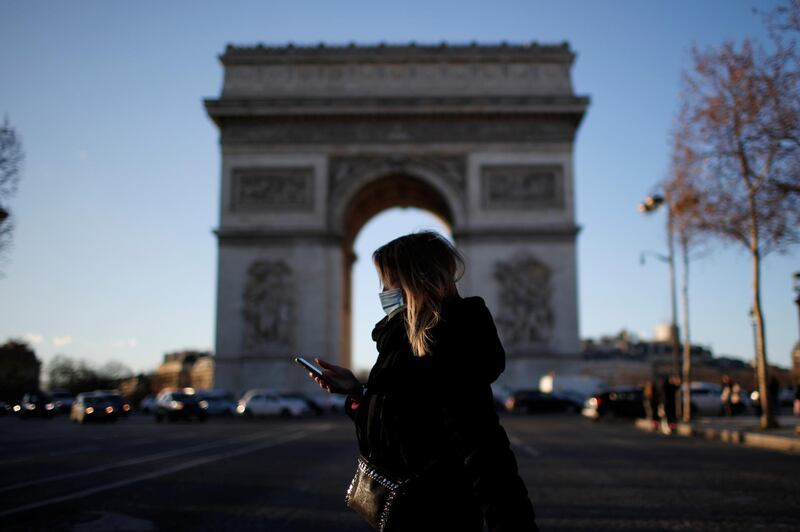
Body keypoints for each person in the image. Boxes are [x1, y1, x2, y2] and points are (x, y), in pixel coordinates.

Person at [307, 231, 538, 532]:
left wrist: (511, 525)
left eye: (388, 283)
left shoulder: (448, 343)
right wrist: (357, 391)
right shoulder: (401, 343)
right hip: (410, 511)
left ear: (413, 282)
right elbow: (403, 419)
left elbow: (482, 447)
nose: (383, 292)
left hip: (438, 513)